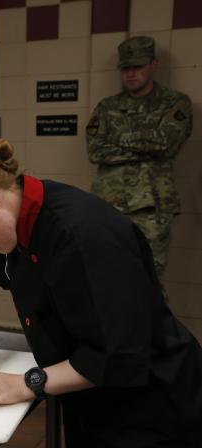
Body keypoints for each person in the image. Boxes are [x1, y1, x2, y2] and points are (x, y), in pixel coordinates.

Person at [0, 138, 202, 448]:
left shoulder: (84, 237)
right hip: (89, 402)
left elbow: (116, 356)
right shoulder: (20, 211)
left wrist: (25, 384)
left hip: (145, 413)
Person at [86, 36, 192, 278]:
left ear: (154, 65)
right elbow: (95, 150)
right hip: (109, 203)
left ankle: (149, 318)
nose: (131, 74)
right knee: (107, 274)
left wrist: (118, 139)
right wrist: (146, 143)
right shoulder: (107, 106)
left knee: (148, 277)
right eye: (126, 68)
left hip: (151, 205)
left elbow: (167, 143)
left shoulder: (175, 103)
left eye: (138, 67)